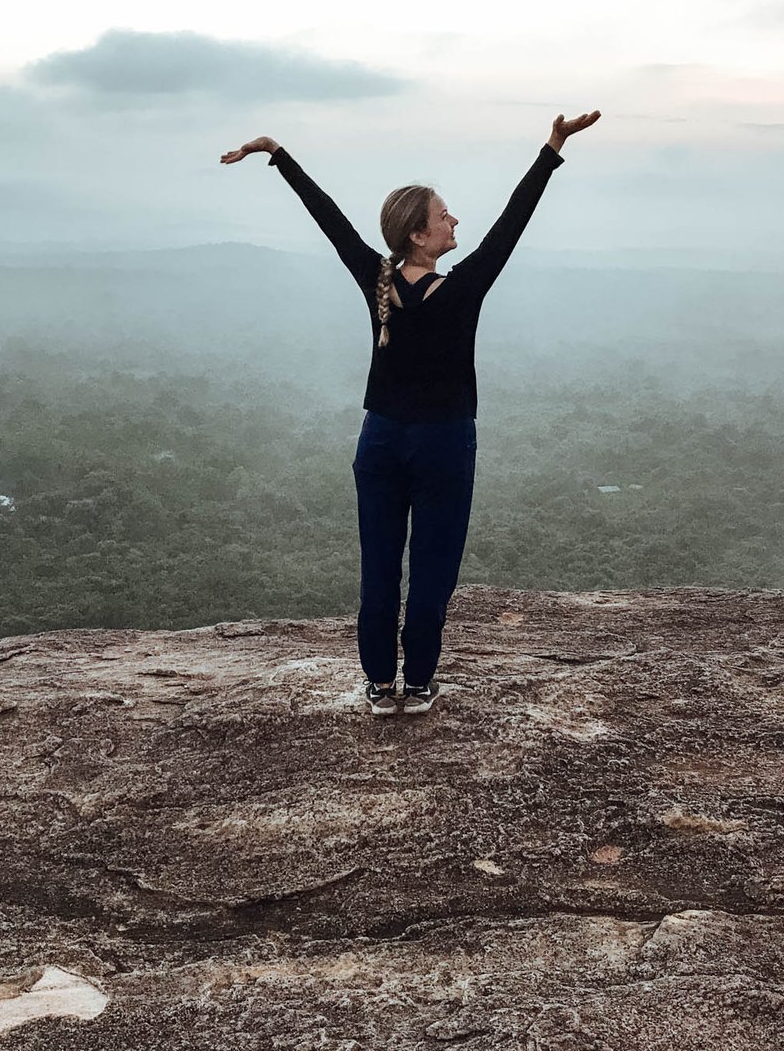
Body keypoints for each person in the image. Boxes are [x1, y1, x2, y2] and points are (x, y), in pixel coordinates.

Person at [220, 110, 601, 715]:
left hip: (379, 443)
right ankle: (418, 683)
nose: (455, 221)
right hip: (445, 443)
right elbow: (513, 223)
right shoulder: (464, 285)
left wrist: (279, 155)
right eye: (444, 215)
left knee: (379, 567)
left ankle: (378, 683)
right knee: (432, 569)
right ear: (420, 236)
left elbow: (331, 222)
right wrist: (551, 148)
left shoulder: (377, 280)